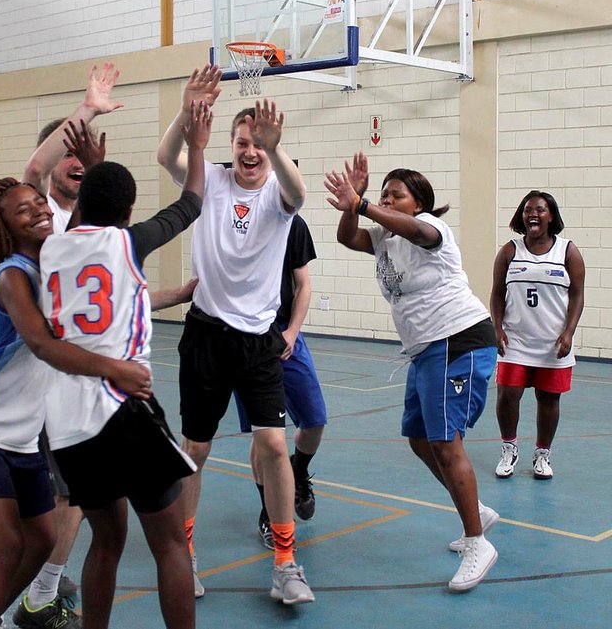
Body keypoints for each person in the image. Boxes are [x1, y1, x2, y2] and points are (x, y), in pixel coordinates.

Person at [0, 177, 151, 629]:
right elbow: (43, 344)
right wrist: (113, 368)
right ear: (5, 227)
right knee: (4, 547)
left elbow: (86, 239)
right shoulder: (12, 275)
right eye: (23, 209)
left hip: (19, 434)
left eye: (39, 203)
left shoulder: (57, 265)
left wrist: (89, 171)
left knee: (42, 540)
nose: (39, 211)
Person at [37, 102, 212, 629]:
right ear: (129, 211)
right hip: (121, 410)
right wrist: (198, 144)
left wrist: (91, 167)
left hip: (67, 423)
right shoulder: (126, 243)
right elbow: (193, 201)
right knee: (168, 544)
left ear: (81, 200)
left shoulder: (49, 250)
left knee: (106, 541)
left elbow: (82, 208)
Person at [157, 65, 315, 606]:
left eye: (258, 145)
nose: (250, 152)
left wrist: (279, 149)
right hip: (205, 333)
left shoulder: (278, 193)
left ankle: (286, 562)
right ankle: (185, 553)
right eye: (242, 143)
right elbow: (166, 157)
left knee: (273, 443)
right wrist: (185, 110)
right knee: (195, 448)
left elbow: (299, 191)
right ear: (230, 144)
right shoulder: (213, 181)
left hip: (257, 341)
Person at [326, 154, 499, 592]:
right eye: (383, 193)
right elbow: (348, 238)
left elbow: (418, 230)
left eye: (395, 194)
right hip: (426, 349)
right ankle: (475, 509)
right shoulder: (384, 237)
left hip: (456, 339)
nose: (386, 199)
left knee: (445, 441)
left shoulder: (433, 229)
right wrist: (353, 206)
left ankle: (478, 542)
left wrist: (363, 203)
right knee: (420, 440)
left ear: (418, 201)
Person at [15, 68, 123, 621]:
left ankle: (43, 586)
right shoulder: (35, 212)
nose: (76, 161)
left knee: (69, 494)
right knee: (51, 501)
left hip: (64, 377)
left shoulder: (94, 224)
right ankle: (37, 594)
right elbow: (34, 166)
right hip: (24, 374)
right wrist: (87, 109)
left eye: (85, 158)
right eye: (68, 153)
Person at [234, 214, 328, 548]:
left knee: (315, 421)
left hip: (286, 335)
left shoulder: (294, 223)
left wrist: (292, 331)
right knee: (266, 435)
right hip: (245, 341)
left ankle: (298, 472)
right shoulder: (229, 219)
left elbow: (303, 284)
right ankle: (269, 512)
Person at [490, 190, 585, 480]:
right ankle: (509, 449)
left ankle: (542, 454)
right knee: (508, 395)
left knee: (549, 399)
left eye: (540, 210)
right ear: (522, 216)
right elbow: (496, 293)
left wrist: (569, 333)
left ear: (551, 216)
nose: (533, 214)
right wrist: (497, 327)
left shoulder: (567, 250)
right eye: (528, 210)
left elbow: (578, 295)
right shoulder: (509, 250)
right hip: (516, 341)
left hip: (552, 343)